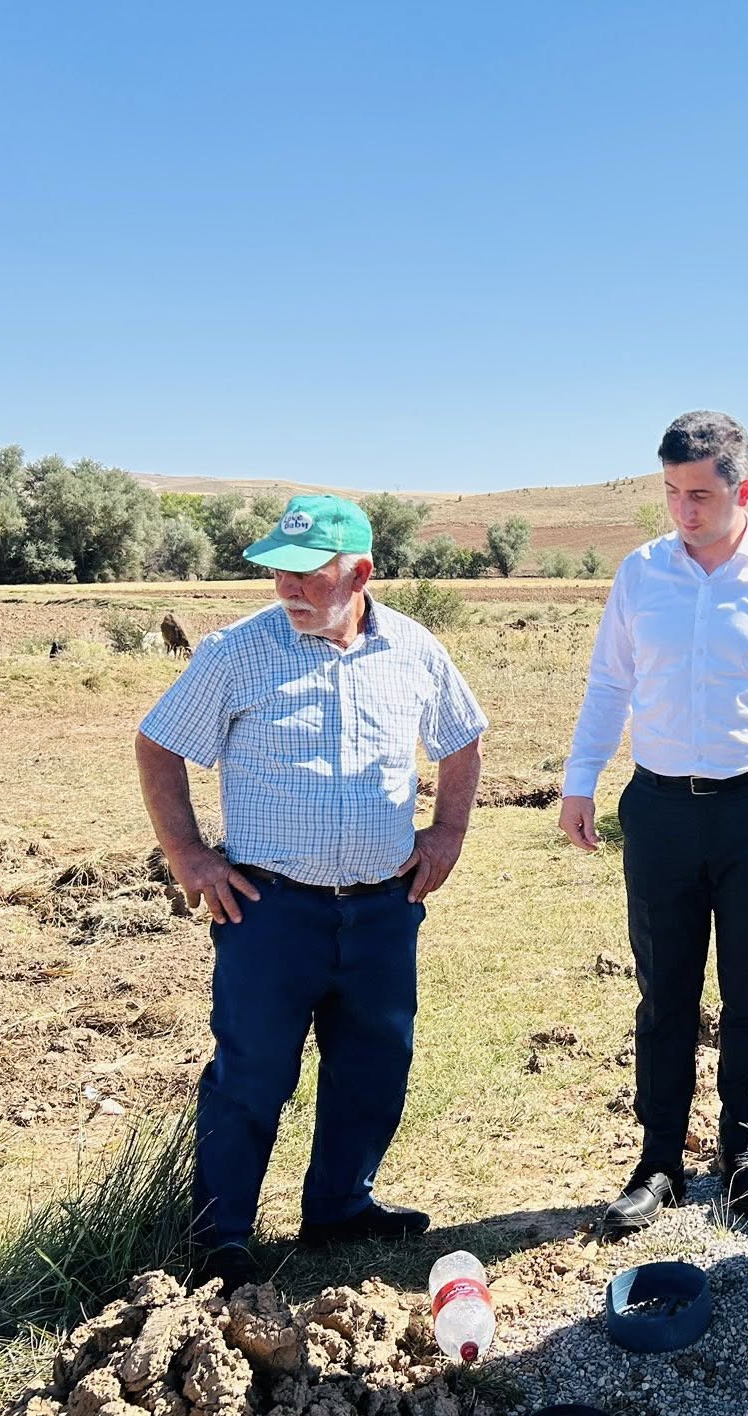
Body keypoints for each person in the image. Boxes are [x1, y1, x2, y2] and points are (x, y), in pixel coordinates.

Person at [136, 494, 487, 1287]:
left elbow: (463, 738)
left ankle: (339, 1208)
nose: (288, 590)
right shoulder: (237, 652)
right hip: (269, 910)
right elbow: (158, 743)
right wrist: (188, 855)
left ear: (360, 574)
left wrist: (447, 833)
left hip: (383, 908)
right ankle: (220, 1239)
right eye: (279, 574)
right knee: (252, 1073)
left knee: (375, 1062)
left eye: (308, 575)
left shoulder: (414, 649)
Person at [561, 411, 748, 1239]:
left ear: (743, 488)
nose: (683, 511)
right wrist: (580, 781)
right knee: (664, 993)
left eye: (699, 494)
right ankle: (659, 1162)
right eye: (671, 492)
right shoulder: (641, 573)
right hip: (658, 810)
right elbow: (609, 684)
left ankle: (741, 1153)